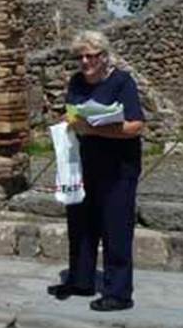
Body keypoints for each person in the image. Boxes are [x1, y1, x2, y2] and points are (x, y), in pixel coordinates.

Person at [48, 30, 144, 312]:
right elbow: (73, 113)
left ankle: (119, 292)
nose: (86, 61)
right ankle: (81, 280)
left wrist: (95, 128)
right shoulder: (77, 82)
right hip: (83, 164)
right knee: (80, 224)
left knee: (116, 228)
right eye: (81, 57)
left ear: (104, 57)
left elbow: (136, 125)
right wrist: (70, 120)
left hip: (118, 168)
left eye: (91, 56)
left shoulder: (122, 82)